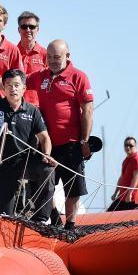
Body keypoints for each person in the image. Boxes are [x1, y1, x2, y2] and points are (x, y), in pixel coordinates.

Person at [27, 39, 94, 230]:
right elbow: (15, 81)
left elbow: (88, 110)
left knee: (73, 187)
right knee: (43, 184)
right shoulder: (41, 76)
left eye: (57, 57)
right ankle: (56, 219)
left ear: (67, 56)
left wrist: (85, 140)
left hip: (72, 142)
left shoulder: (78, 77)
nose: (53, 61)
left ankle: (70, 225)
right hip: (48, 144)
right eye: (49, 57)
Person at [0, 69, 54, 219]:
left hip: (26, 161)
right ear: (4, 88)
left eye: (17, 85)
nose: (13, 89)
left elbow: (45, 138)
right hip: (2, 165)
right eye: (9, 85)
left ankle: (41, 219)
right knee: (5, 215)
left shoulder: (33, 111)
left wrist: (46, 155)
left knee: (48, 170)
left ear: (24, 88)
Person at [15, 11, 47, 105]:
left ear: (37, 29)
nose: (28, 30)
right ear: (19, 29)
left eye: (32, 27)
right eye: (24, 27)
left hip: (39, 108)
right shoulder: (11, 52)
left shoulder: (46, 55)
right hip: (14, 107)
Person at [107, 137, 138, 211]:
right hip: (122, 197)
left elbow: (136, 178)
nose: (128, 147)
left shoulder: (136, 160)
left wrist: (130, 193)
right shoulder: (126, 160)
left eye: (130, 145)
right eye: (126, 145)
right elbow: (121, 177)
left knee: (129, 221)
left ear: (135, 146)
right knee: (109, 214)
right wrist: (115, 192)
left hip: (132, 199)